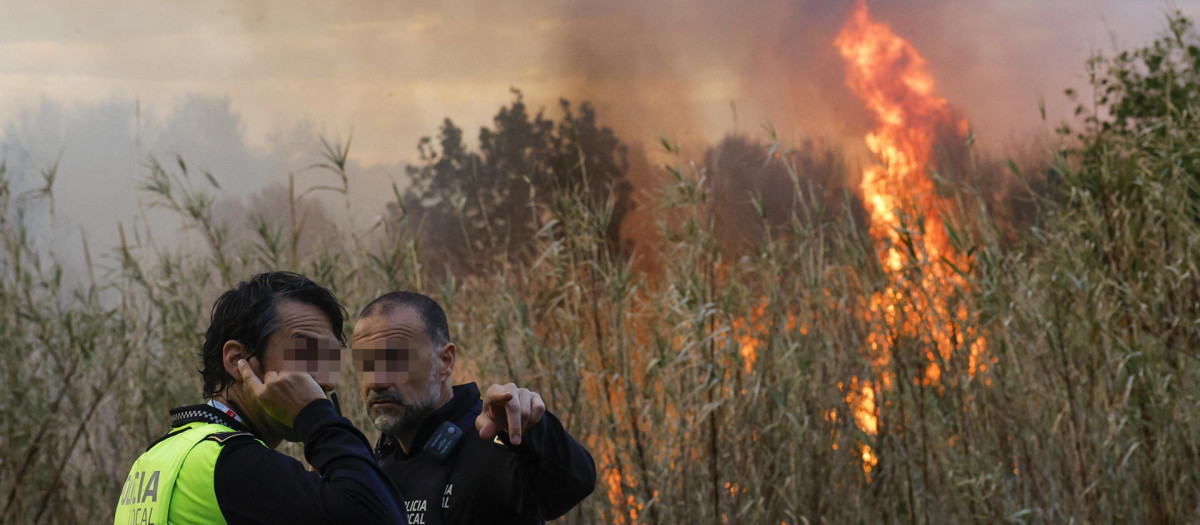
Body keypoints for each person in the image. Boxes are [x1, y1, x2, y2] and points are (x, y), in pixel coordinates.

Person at [113, 271, 405, 524]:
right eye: (306, 353)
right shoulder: (233, 463)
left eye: (329, 360)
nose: (326, 381)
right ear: (237, 359)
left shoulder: (156, 456)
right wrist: (319, 419)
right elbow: (381, 516)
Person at [353, 291, 596, 524]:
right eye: (366, 363)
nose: (377, 380)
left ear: (445, 361)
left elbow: (573, 484)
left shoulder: (491, 437)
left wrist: (531, 429)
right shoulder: (374, 465)